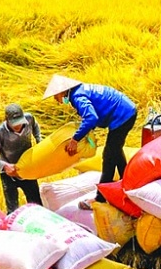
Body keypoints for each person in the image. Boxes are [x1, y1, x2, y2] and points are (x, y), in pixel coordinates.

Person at [42, 74, 137, 203]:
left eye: (55, 96)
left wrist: (75, 139)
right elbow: (93, 116)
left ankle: (100, 198)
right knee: (115, 151)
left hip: (123, 116)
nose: (55, 99)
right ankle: (128, 183)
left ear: (62, 91)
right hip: (126, 110)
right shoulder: (80, 90)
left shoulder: (77, 97)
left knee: (108, 157)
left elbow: (91, 118)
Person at [0, 103, 43, 213]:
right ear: (7, 120)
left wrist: (39, 139)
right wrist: (4, 166)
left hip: (28, 169)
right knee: (12, 210)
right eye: (14, 124)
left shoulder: (29, 118)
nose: (18, 126)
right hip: (9, 174)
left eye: (20, 122)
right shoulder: (0, 132)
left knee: (37, 205)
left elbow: (35, 127)